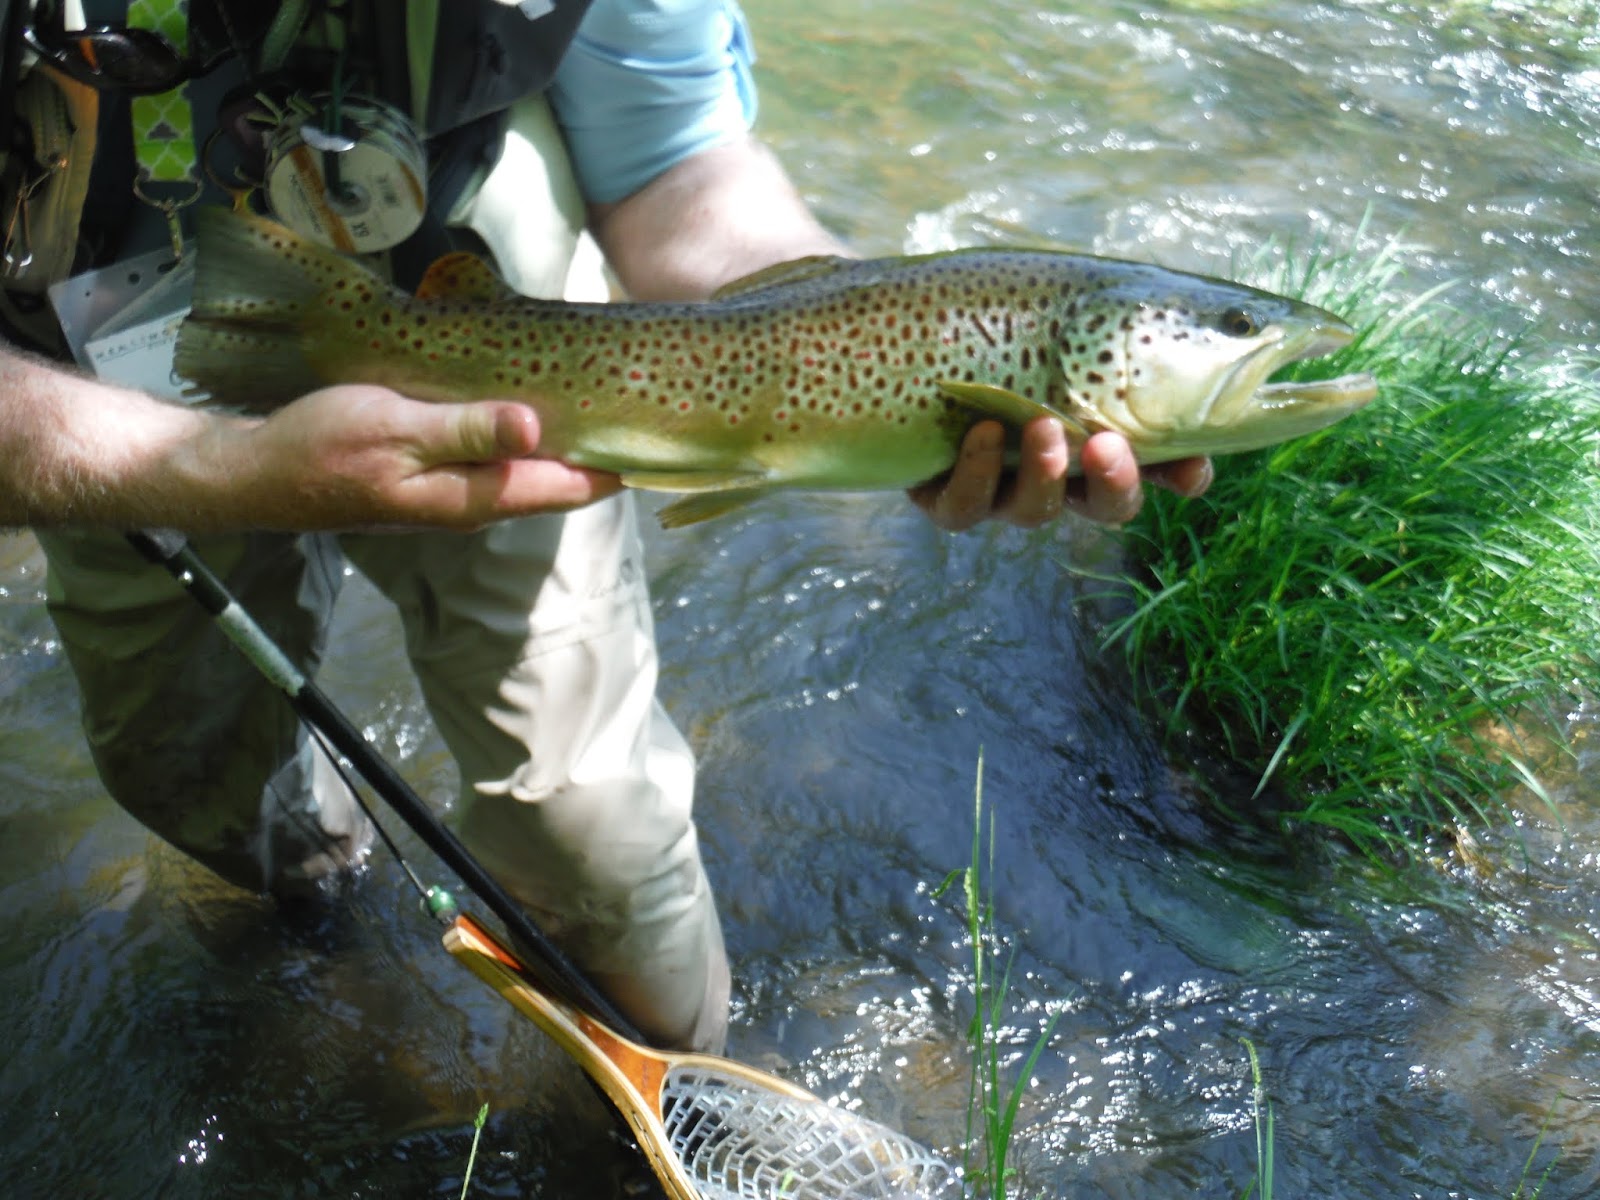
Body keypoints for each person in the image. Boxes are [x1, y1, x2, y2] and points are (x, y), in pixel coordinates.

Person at [0, 0, 1211, 1054]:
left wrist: (880, 354)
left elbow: (682, 175)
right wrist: (211, 471)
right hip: (92, 368)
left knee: (588, 827)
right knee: (187, 769)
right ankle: (313, 924)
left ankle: (664, 1083)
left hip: (475, 266)